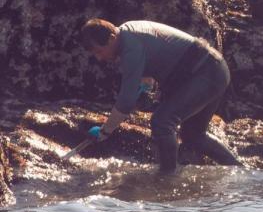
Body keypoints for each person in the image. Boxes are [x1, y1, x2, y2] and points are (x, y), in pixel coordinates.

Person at [78, 19, 242, 173]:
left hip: (207, 72)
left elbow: (126, 101)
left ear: (112, 37)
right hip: (212, 69)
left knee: (163, 122)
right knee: (193, 135)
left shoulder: (130, 48)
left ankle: (167, 178)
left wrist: (106, 131)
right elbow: (157, 55)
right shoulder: (128, 31)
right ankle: (241, 171)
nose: (100, 58)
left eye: (100, 51)